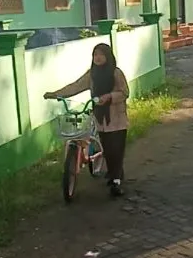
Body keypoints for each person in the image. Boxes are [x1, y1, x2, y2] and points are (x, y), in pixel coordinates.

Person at [44, 43, 129, 197]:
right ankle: (114, 174)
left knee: (116, 150)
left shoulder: (116, 73)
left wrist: (109, 97)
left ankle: (116, 182)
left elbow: (124, 92)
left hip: (117, 117)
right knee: (108, 150)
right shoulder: (92, 74)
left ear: (108, 56)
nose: (98, 58)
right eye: (95, 55)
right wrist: (56, 94)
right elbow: (75, 86)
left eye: (101, 54)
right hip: (100, 118)